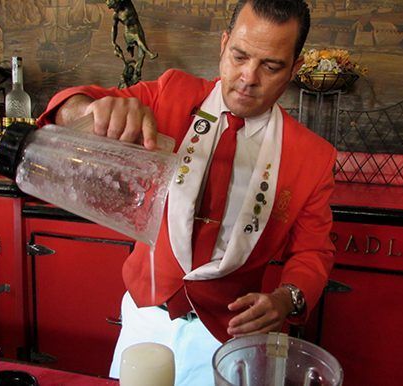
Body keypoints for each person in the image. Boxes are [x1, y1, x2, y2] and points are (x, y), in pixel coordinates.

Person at [38, 1, 336, 384]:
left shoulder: (311, 156)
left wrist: (286, 299)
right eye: (239, 56)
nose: (248, 77)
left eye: (271, 66)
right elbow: (71, 105)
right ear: (224, 44)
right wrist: (90, 111)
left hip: (230, 335)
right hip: (146, 315)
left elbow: (313, 251)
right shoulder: (171, 93)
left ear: (295, 68)